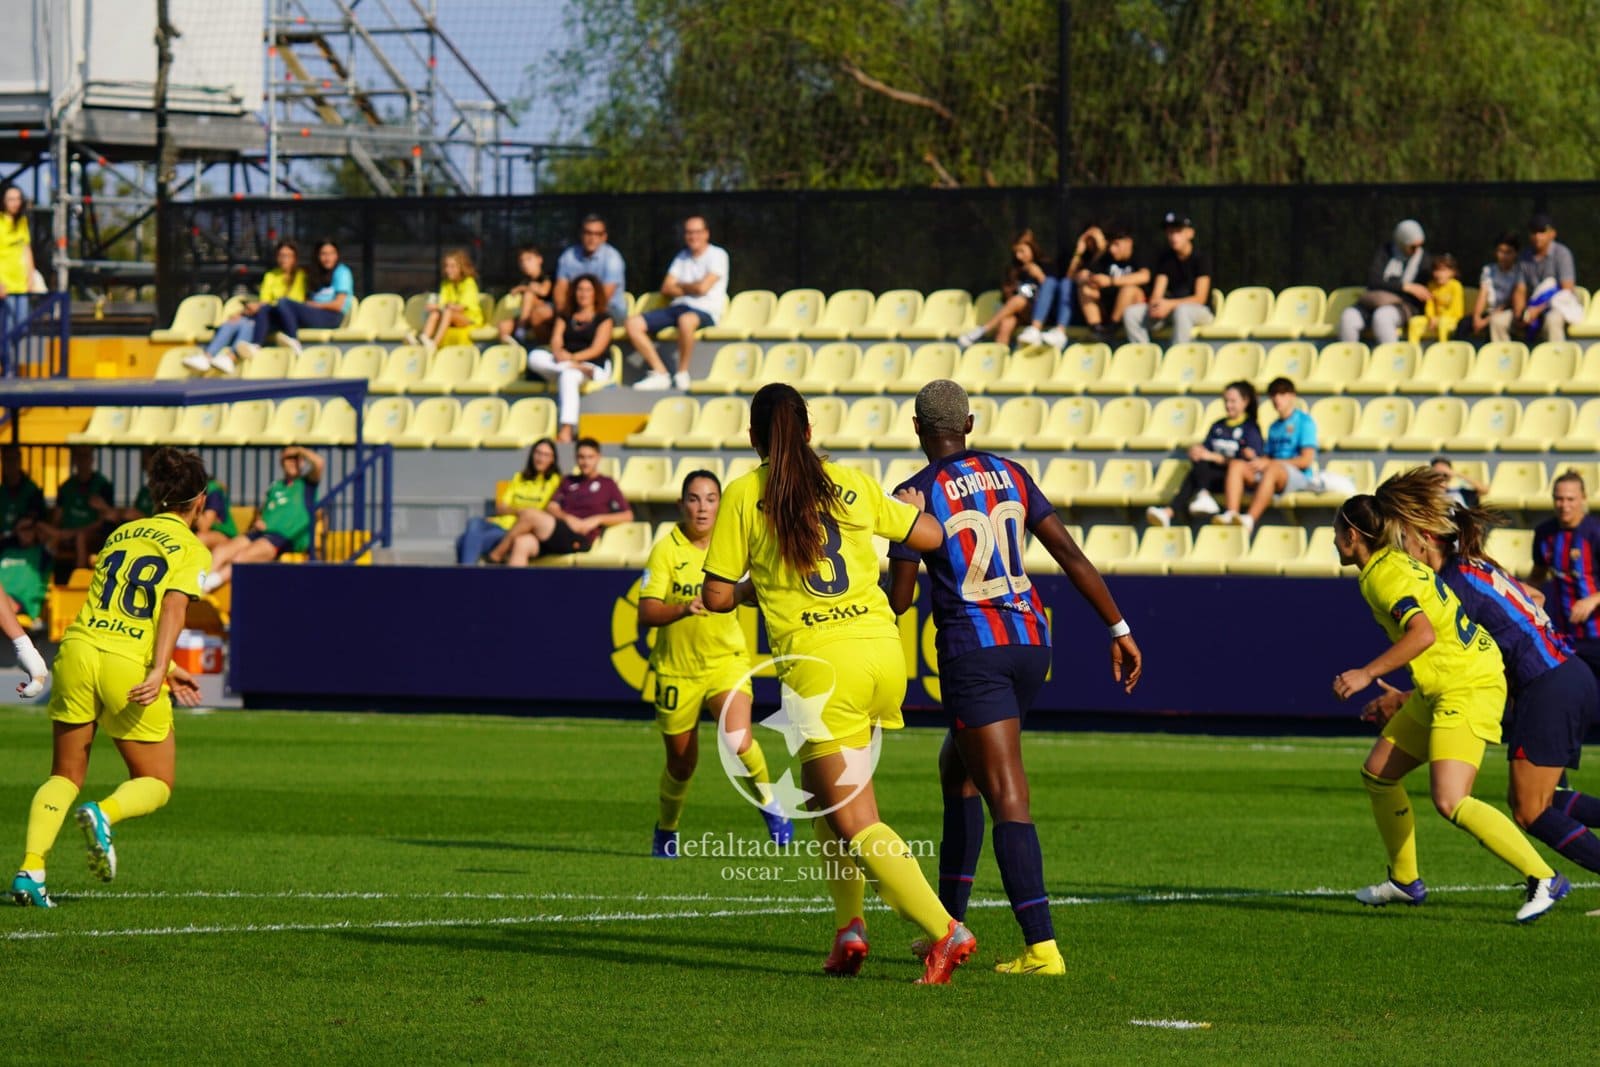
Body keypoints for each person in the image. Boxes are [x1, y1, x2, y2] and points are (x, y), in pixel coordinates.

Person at [700, 382, 977, 985]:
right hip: (882, 652)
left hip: (823, 668)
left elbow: (716, 595)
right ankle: (849, 928)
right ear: (807, 431)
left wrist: (754, 587)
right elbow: (927, 535)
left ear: (753, 439)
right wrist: (905, 506)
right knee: (822, 790)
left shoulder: (746, 494)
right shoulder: (849, 481)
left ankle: (945, 930)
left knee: (856, 820)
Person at [886, 380, 1142, 978]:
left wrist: (894, 532)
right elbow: (1070, 555)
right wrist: (1118, 627)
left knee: (1005, 792)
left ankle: (1042, 947)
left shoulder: (916, 493)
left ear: (918, 429)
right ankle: (948, 924)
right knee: (959, 770)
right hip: (1031, 641)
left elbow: (898, 599)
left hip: (975, 650)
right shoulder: (1011, 472)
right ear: (969, 424)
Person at [1332, 472, 1569, 923]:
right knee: (1379, 773)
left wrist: (1367, 672)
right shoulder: (1386, 567)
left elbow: (1421, 633)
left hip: (1468, 684)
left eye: (1337, 534)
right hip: (1440, 685)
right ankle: (1405, 881)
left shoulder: (1386, 576)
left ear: (1352, 536)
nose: (1334, 543)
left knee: (1450, 800)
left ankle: (1544, 878)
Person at [10, 447, 208, 909]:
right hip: (129, 665)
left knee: (64, 773)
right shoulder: (191, 548)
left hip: (78, 650)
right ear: (198, 501)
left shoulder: (122, 533)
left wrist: (169, 669)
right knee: (156, 782)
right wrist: (162, 667)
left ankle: (31, 869)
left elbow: (115, 608)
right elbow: (172, 607)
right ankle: (103, 813)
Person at [1383, 471, 1600, 891]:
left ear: (1424, 537)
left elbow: (1463, 660)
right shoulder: (1471, 564)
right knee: (1547, 801)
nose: (1401, 547)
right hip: (1565, 674)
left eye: (1403, 537)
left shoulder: (1453, 584)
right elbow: (1534, 598)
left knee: (1530, 810)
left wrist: (1404, 697)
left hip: (1548, 686)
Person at [639, 469, 791, 858]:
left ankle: (771, 805)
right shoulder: (666, 550)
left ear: (721, 505)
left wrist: (747, 590)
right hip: (677, 669)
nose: (702, 507)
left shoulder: (732, 543)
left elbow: (749, 586)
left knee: (737, 740)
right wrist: (683, 608)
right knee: (681, 763)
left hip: (727, 660)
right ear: (681, 504)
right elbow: (647, 611)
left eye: (710, 498)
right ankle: (667, 828)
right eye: (694, 498)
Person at [483, 438, 631, 566]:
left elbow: (627, 515)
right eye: (581, 457)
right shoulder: (568, 481)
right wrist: (568, 518)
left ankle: (496, 555)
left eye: (589, 457)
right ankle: (513, 594)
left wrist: (597, 519)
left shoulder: (607, 483)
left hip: (579, 537)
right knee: (522, 542)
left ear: (598, 457)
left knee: (530, 514)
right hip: (557, 532)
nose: (585, 462)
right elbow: (552, 507)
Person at [624, 215, 728, 391]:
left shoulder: (718, 255)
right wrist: (692, 287)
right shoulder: (681, 257)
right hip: (676, 308)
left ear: (706, 234)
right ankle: (660, 373)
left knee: (686, 320)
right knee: (632, 323)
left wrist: (680, 285)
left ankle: (681, 373)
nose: (693, 236)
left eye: (697, 232)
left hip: (705, 311)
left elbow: (703, 289)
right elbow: (666, 288)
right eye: (688, 232)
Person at [203, 446, 323, 592]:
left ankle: (207, 587)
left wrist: (299, 450)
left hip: (283, 537)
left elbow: (319, 463)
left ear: (303, 461)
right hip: (260, 532)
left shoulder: (307, 484)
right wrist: (259, 520)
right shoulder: (276, 486)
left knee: (242, 558)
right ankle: (200, 587)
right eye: (288, 458)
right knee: (221, 551)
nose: (293, 462)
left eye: (297, 458)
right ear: (282, 462)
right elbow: (265, 510)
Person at [1146, 380, 1265, 526]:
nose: (1228, 405)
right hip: (1213, 476)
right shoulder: (1218, 426)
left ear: (1245, 401)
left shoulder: (1250, 428)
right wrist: (1196, 451)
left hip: (1236, 480)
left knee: (1200, 469)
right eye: (1226, 401)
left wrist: (1213, 456)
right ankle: (1189, 502)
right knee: (1199, 462)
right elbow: (1206, 450)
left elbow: (1247, 462)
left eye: (1233, 401)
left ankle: (1178, 507)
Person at [185, 240, 306, 375]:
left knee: (249, 323)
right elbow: (264, 300)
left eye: (288, 256)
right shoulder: (270, 275)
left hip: (280, 320)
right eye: (281, 255)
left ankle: (231, 357)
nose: (284, 259)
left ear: (295, 258)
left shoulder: (301, 276)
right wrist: (245, 312)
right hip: (264, 316)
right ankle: (207, 357)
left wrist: (257, 308)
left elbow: (292, 303)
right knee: (233, 321)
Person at [1215, 377, 1317, 534]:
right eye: (1274, 395)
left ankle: (1249, 519)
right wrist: (1256, 458)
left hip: (1298, 476)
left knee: (1273, 468)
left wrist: (1270, 463)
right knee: (1237, 465)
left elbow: (1306, 460)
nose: (1277, 399)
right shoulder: (1274, 426)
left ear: (1292, 396)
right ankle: (1231, 514)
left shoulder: (1304, 422)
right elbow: (1268, 457)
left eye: (1282, 394)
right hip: (1273, 473)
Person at [526, 274, 614, 441]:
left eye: (588, 290)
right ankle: (572, 368)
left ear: (595, 293)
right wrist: (561, 354)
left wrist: (573, 358)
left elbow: (596, 349)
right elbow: (556, 341)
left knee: (568, 376)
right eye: (580, 289)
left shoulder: (604, 318)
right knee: (534, 356)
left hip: (591, 365)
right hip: (567, 363)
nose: (583, 294)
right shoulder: (566, 316)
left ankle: (567, 429)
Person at [1530, 469, 1600, 678]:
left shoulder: (1595, 533)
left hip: (1596, 633)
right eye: (1559, 499)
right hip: (1562, 633)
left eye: (1571, 499)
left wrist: (1593, 600)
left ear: (1583, 499)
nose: (1564, 505)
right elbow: (1538, 574)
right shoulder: (1544, 533)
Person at [455, 438, 562, 565]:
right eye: (538, 453)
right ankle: (466, 574)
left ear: (552, 459)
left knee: (462, 540)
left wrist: (516, 512)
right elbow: (500, 507)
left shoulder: (556, 482)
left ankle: (465, 576)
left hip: (514, 530)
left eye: (546, 455)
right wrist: (520, 510)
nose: (540, 458)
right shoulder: (519, 477)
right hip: (498, 523)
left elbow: (544, 513)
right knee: (473, 522)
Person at [1122, 212, 1213, 344]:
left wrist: (1169, 304)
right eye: (1170, 232)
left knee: (1182, 311)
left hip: (1199, 311)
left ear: (1190, 233)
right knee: (1131, 313)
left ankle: (1176, 359)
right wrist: (1156, 305)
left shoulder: (1201, 258)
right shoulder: (1166, 259)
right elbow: (1157, 292)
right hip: (1171, 309)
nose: (1173, 237)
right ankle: (1145, 357)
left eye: (1178, 232)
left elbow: (1200, 298)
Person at [1338, 220, 1431, 345]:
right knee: (1348, 317)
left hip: (1403, 305)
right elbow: (1374, 281)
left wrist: (1397, 288)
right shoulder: (1385, 252)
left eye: (1420, 246)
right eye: (1413, 247)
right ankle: (1350, 360)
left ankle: (1389, 360)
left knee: (1382, 317)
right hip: (1373, 302)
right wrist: (1405, 286)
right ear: (1401, 242)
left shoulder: (1424, 259)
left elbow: (1420, 292)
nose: (1417, 250)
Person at [958, 229, 1049, 348]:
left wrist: (1040, 276)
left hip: (1038, 314)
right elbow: (1006, 296)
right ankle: (1000, 358)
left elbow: (1050, 292)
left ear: (1033, 248)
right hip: (1017, 313)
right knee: (1006, 323)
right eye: (1016, 252)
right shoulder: (1013, 270)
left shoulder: (1046, 266)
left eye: (1022, 251)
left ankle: (984, 330)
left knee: (1019, 300)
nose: (1019, 256)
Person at [1019, 226, 1104, 349]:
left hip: (1085, 309)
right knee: (1054, 282)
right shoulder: (1075, 257)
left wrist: (1101, 249)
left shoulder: (1106, 259)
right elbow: (1069, 276)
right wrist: (1078, 253)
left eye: (1094, 239)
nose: (1091, 242)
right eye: (1088, 239)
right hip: (1063, 308)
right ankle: (1035, 329)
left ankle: (1060, 331)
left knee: (1067, 284)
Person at [266, 239, 355, 354]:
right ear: (317, 256)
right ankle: (254, 346)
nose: (327, 258)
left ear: (337, 255)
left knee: (284, 302)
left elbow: (338, 305)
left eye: (331, 253)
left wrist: (316, 305)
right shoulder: (316, 273)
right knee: (267, 312)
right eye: (323, 254)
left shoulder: (342, 272)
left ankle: (293, 340)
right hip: (314, 314)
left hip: (331, 317)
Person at [1513, 213, 1581, 344]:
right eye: (1534, 231)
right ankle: (1508, 362)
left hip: (1558, 306)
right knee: (1499, 321)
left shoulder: (1562, 253)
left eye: (1542, 231)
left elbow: (1567, 290)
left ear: (1552, 233)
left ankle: (1557, 361)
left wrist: (1537, 310)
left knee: (1552, 319)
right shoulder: (1524, 257)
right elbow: (1520, 290)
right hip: (1530, 309)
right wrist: (1520, 314)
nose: (1538, 236)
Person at [1073, 227, 1149, 339]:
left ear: (1128, 242)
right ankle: (1096, 329)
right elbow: (1079, 276)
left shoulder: (1140, 254)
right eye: (1111, 245)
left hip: (1134, 311)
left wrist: (1111, 281)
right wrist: (1089, 278)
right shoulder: (1106, 256)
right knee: (1085, 288)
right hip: (1108, 307)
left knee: (1129, 289)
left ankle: (1112, 329)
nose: (1112, 249)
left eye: (1116, 244)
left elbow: (1144, 276)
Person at [50, 446, 115, 577]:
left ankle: (80, 575)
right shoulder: (66, 487)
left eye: (85, 456)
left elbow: (108, 518)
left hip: (93, 534)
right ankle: (48, 578)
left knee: (80, 537)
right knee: (51, 537)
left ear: (92, 459)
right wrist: (57, 533)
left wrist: (78, 531)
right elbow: (57, 517)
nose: (82, 460)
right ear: (74, 460)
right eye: (79, 457)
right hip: (66, 533)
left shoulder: (102, 486)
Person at [554, 214, 628, 322]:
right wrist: (563, 314)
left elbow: (604, 297)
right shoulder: (568, 256)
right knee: (541, 314)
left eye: (598, 234)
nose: (592, 237)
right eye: (588, 233)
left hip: (609, 309)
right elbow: (560, 288)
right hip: (574, 308)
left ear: (604, 237)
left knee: (594, 320)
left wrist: (582, 315)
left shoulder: (613, 258)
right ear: (581, 234)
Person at [410, 249, 483, 352]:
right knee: (435, 313)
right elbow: (443, 304)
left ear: (461, 267)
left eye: (452, 266)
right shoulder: (446, 283)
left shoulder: (469, 283)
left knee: (447, 312)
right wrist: (436, 307)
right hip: (450, 316)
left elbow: (460, 308)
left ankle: (434, 344)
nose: (448, 270)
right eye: (446, 266)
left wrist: (440, 306)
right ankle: (424, 339)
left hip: (470, 319)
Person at [500, 246, 554, 346]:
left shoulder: (547, 275)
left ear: (539, 259)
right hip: (527, 316)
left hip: (545, 314)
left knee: (529, 295)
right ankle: (514, 352)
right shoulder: (525, 281)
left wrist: (523, 289)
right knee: (504, 325)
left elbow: (544, 291)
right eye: (521, 261)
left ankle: (521, 330)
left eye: (529, 259)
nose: (525, 264)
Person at [1471, 232, 1521, 342]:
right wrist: (1476, 318)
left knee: (1496, 321)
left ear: (1516, 254)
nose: (1503, 256)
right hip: (1491, 312)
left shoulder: (1520, 272)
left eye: (1508, 252)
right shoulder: (1488, 270)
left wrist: (1487, 320)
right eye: (1500, 251)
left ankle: (1502, 358)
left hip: (1510, 312)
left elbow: (1511, 302)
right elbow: (1483, 294)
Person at [0, 515, 49, 624]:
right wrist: (12, 532)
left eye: (31, 528)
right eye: (23, 529)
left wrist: (39, 524)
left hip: (21, 605)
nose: (27, 532)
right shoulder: (5, 551)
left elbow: (58, 535)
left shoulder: (42, 553)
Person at [1406, 253, 1463, 344]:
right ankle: (1414, 352)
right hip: (1434, 319)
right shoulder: (1431, 286)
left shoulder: (1456, 286)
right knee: (1414, 322)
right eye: (1436, 270)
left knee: (1442, 323)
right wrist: (1431, 317)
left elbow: (1456, 310)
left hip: (1451, 319)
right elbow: (1430, 305)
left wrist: (1439, 318)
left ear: (1452, 272)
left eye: (1443, 270)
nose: (1439, 274)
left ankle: (1442, 350)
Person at [0, 185, 37, 324]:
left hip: (21, 285)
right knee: (6, 330)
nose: (15, 203)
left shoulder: (22, 222)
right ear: (4, 201)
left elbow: (26, 250)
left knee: (22, 327)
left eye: (17, 199)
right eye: (11, 199)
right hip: (4, 285)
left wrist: (31, 276)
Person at [0, 445, 45, 539]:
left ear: (20, 461)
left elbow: (34, 520)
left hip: (23, 544)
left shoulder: (32, 491)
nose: (10, 464)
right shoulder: (2, 491)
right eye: (6, 460)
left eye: (13, 459)